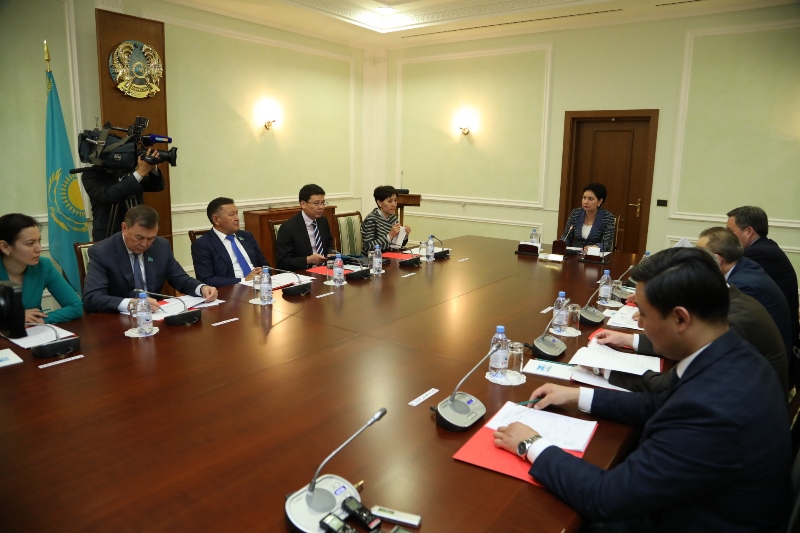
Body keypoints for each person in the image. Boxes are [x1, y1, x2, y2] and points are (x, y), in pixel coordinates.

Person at [492, 247, 791, 532]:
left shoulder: (711, 407)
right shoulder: (732, 353)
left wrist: (531, 444)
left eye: (644, 313)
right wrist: (576, 395)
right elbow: (660, 403)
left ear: (680, 318)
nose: (638, 321)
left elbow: (607, 498)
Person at [595, 283, 788, 397]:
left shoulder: (730, 325)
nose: (641, 323)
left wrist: (604, 370)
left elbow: (666, 387)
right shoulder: (727, 303)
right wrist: (629, 339)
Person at [83, 205, 217, 313]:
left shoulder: (161, 246)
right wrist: (131, 304)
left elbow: (180, 278)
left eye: (151, 238)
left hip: (155, 315)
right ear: (124, 228)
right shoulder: (102, 252)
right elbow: (92, 298)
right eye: (139, 238)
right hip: (117, 320)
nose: (144, 244)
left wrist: (201, 288)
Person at [696, 226, 792, 362]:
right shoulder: (745, 266)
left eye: (700, 256)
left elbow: (726, 335)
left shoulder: (743, 286)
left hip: (765, 366)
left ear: (717, 259)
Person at [727, 206, 799, 357]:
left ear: (749, 231)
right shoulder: (765, 247)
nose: (727, 238)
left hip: (778, 347)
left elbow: (733, 290)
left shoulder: (759, 253)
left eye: (730, 232)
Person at [0, 213, 83, 324]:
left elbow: (76, 307)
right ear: (5, 247)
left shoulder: (43, 266)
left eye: (39, 240)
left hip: (35, 333)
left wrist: (41, 320)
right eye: (30, 243)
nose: (39, 248)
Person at [81, 148, 165, 242]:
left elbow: (157, 186)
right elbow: (109, 195)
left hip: (137, 233)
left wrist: (152, 167)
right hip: (108, 235)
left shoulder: (128, 170)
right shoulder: (91, 175)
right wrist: (140, 172)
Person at [191, 197, 269, 287]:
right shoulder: (202, 244)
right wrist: (244, 280)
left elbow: (264, 265)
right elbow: (207, 279)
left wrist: (263, 273)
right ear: (216, 219)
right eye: (232, 215)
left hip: (260, 285)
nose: (237, 218)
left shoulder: (246, 236)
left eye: (237, 213)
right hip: (233, 289)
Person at [275, 184, 334, 271]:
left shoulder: (323, 221)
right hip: (303, 273)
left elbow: (329, 245)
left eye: (323, 203)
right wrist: (307, 260)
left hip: (326, 270)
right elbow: (282, 262)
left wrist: (330, 253)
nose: (321, 207)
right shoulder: (288, 228)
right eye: (316, 203)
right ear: (303, 204)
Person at [559, 182, 615, 252]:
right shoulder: (575, 213)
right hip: (576, 254)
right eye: (584, 198)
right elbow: (566, 237)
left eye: (590, 199)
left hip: (595, 255)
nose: (585, 202)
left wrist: (594, 248)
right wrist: (561, 243)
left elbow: (607, 244)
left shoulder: (607, 217)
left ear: (600, 201)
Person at [360, 185, 411, 255]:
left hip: (389, 257)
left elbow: (396, 246)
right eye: (390, 201)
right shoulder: (371, 219)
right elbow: (367, 247)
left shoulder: (393, 218)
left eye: (395, 200)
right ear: (379, 203)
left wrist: (404, 235)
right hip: (373, 259)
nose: (394, 204)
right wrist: (389, 236)